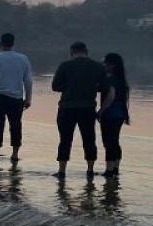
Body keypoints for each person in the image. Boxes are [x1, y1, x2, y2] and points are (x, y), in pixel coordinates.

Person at [50, 41, 112, 179]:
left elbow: (55, 86)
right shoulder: (97, 67)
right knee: (89, 139)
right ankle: (90, 170)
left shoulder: (65, 65)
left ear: (72, 52)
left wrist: (69, 86)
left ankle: (62, 171)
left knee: (65, 139)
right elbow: (105, 88)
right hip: (88, 108)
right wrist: (91, 87)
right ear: (86, 51)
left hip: (67, 108)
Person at [0, 32, 33, 165]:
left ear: (0, 44)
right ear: (13, 43)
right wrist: (28, 98)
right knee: (16, 126)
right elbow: (28, 80)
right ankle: (15, 154)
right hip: (16, 98)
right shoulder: (23, 59)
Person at [100, 53, 130, 178]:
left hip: (110, 115)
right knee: (115, 141)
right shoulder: (121, 79)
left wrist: (100, 111)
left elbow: (111, 96)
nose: (104, 65)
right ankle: (116, 168)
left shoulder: (110, 79)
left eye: (105, 63)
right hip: (120, 114)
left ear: (112, 65)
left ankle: (109, 170)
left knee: (108, 142)